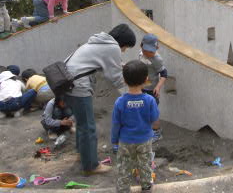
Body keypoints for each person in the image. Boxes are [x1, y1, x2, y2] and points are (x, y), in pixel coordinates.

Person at [65, 24, 136, 175]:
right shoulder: (113, 47)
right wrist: (136, 80)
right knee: (88, 127)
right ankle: (91, 166)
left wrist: (123, 66)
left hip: (66, 82)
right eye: (126, 47)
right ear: (123, 42)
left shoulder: (99, 41)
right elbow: (115, 78)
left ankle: (82, 154)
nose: (124, 51)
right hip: (78, 85)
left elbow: (108, 64)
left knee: (81, 122)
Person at [111, 60, 159, 193]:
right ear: (146, 80)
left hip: (125, 141)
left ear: (124, 81)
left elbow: (116, 124)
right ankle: (146, 186)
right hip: (144, 139)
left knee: (124, 166)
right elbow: (154, 120)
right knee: (145, 164)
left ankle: (123, 188)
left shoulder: (120, 102)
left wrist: (114, 140)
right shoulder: (150, 100)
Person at [139, 33, 167, 137]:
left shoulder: (157, 59)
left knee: (153, 111)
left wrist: (158, 87)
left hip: (152, 90)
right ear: (141, 46)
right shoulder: (141, 54)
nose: (150, 53)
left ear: (156, 48)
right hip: (142, 87)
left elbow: (164, 74)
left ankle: (157, 132)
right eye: (147, 50)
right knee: (143, 109)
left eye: (152, 51)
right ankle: (147, 128)